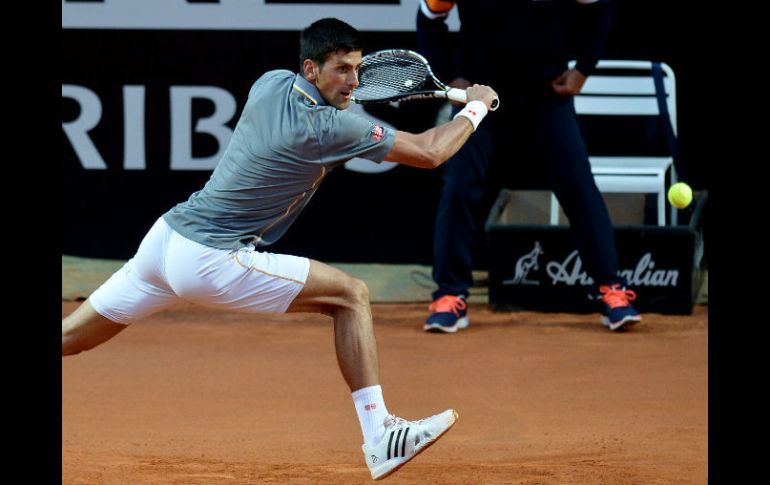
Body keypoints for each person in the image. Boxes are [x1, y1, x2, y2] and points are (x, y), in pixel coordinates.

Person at [61, 18, 498, 481]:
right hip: (211, 258)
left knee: (68, 336)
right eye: (341, 70)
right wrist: (475, 110)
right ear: (312, 70)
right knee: (350, 296)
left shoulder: (269, 83)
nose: (354, 81)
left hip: (164, 241)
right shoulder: (332, 128)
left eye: (357, 68)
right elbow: (429, 152)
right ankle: (380, 434)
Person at [416, 0, 641, 333]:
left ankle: (611, 290)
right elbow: (429, 16)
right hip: (481, 96)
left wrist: (584, 68)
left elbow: (598, 7)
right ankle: (449, 295)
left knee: (578, 186)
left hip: (545, 95)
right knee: (460, 186)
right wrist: (450, 77)